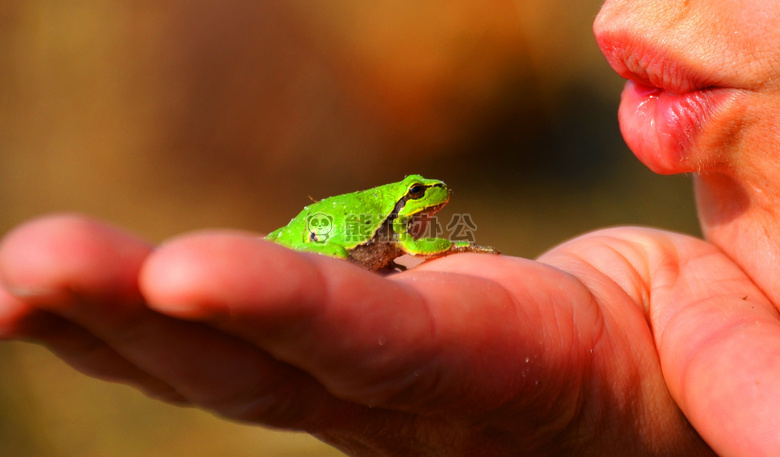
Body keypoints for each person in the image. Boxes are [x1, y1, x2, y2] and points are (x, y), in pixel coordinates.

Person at [1, 0, 778, 454]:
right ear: (408, 201)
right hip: (321, 244)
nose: (617, 9)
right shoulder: (403, 225)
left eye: (426, 193)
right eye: (422, 192)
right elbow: (407, 244)